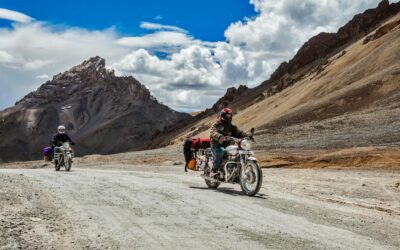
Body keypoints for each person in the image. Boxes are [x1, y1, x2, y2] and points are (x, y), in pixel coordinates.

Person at [210, 108, 247, 176]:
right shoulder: (217, 124)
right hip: (217, 145)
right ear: (223, 115)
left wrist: (247, 135)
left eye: (230, 115)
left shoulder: (231, 125)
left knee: (238, 151)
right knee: (220, 152)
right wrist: (219, 136)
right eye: (227, 116)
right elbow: (213, 132)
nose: (229, 117)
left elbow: (238, 132)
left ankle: (235, 170)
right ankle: (214, 170)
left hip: (227, 145)